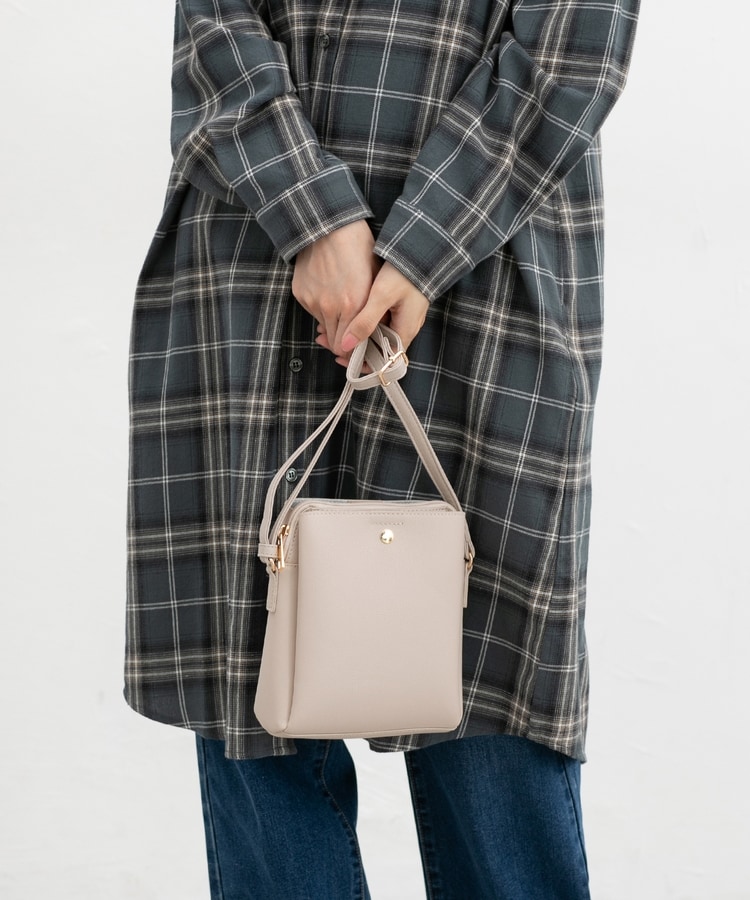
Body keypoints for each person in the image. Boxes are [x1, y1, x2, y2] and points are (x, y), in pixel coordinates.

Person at [125, 0, 639, 896]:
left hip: (491, 274)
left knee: (490, 701)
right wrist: (312, 216)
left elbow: (571, 49)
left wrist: (419, 250)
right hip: (253, 261)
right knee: (260, 699)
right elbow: (216, 20)